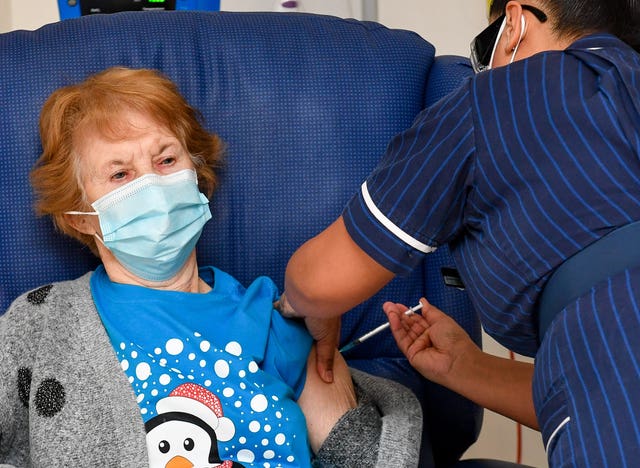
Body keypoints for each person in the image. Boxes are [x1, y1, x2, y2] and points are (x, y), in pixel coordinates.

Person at [0, 67, 422, 467]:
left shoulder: (275, 321)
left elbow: (361, 456)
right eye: (120, 174)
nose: (153, 185)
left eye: (166, 161)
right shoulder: (43, 323)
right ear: (81, 217)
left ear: (197, 176)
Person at [280, 0, 640, 465]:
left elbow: (318, 282)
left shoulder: (498, 97)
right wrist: (466, 368)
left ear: (514, 24)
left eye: (483, 48)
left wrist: (301, 302)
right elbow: (584, 391)